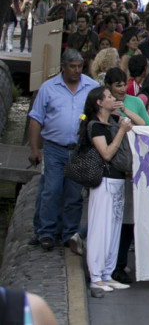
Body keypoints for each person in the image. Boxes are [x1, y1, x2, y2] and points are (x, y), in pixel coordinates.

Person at [27, 49, 100, 252]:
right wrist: (34, 149)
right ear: (63, 67)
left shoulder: (91, 87)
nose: (76, 71)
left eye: (79, 66)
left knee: (74, 194)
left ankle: (69, 233)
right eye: (72, 67)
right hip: (54, 148)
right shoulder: (48, 88)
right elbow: (35, 119)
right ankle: (46, 232)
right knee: (51, 190)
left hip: (80, 150)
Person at [83, 86, 136, 292]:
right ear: (99, 102)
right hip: (103, 180)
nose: (113, 99)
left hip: (118, 180)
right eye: (109, 97)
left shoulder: (113, 121)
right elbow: (106, 153)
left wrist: (125, 112)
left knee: (114, 227)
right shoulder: (95, 126)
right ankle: (95, 275)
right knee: (100, 228)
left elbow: (141, 124)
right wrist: (121, 132)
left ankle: (107, 272)